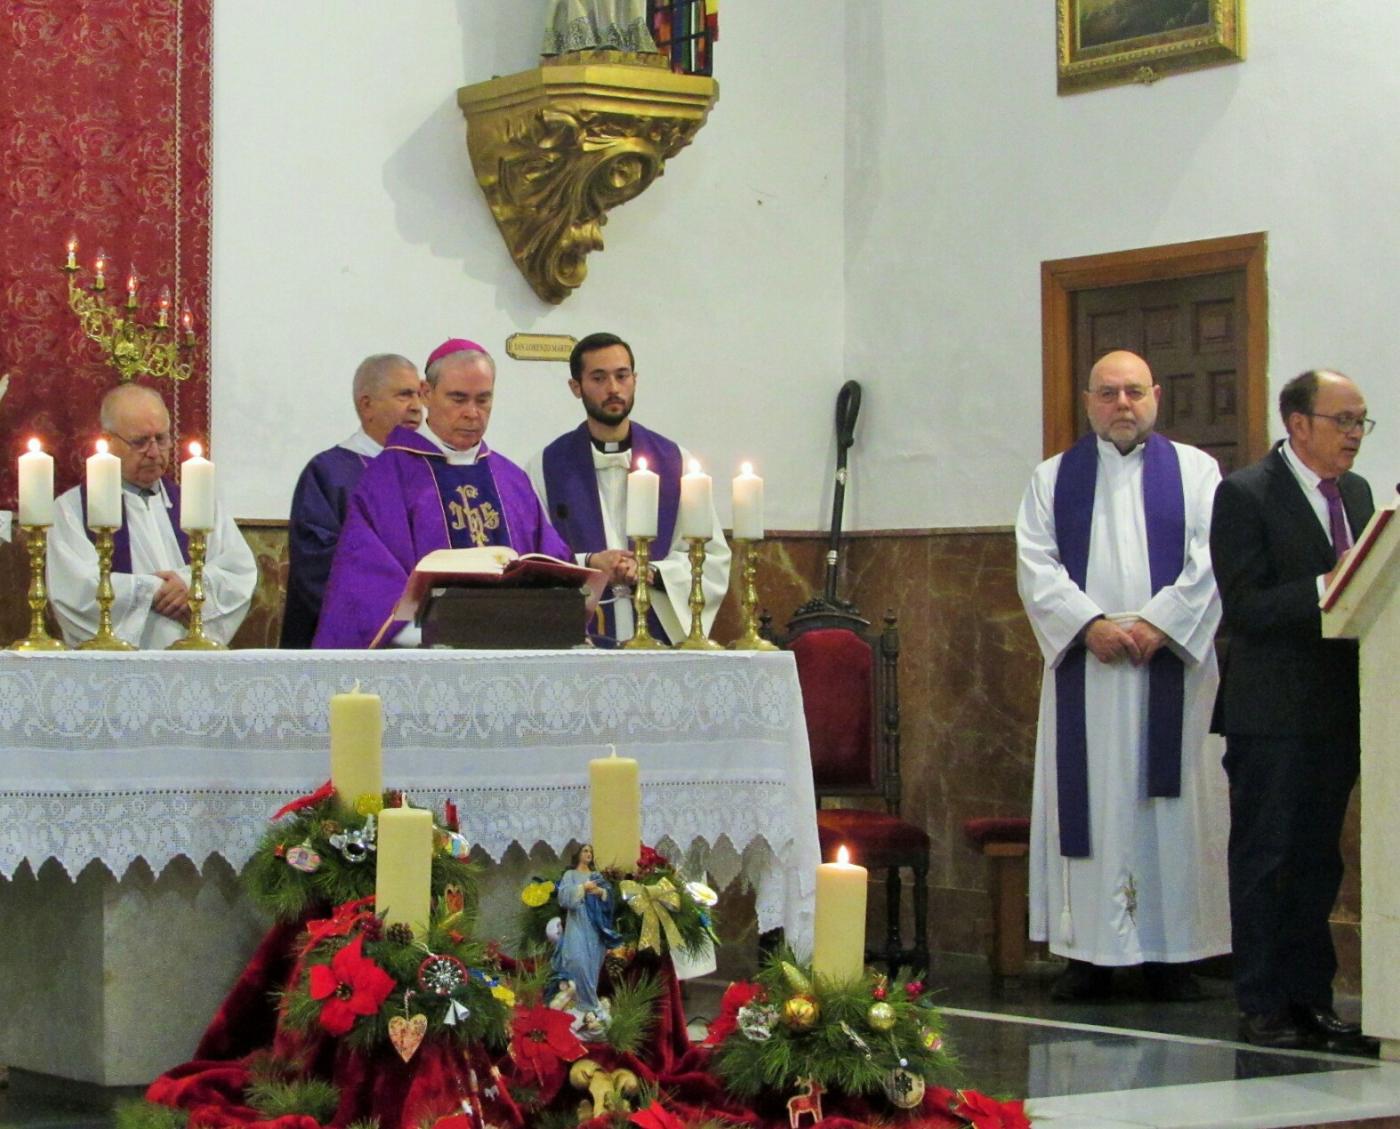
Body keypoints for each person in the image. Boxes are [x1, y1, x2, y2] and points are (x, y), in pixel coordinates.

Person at [1015, 350, 1229, 1002]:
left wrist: (1162, 622)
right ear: (1088, 401)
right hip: (1093, 669)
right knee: (1095, 802)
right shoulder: (1053, 479)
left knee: (1172, 805)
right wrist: (1089, 625)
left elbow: (1212, 556)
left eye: (1134, 391)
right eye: (1108, 392)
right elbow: (1037, 566)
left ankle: (1173, 953)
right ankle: (1090, 955)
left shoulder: (1196, 472)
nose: (1122, 404)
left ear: (1157, 396)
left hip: (1173, 668)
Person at [1211, 369, 1376, 1051]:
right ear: (1298, 423)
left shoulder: (1360, 495)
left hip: (1338, 708)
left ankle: (1313, 997)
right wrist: (1326, 584)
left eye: (1363, 421)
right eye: (1343, 420)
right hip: (1270, 710)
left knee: (1318, 860)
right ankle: (1261, 999)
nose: (1355, 435)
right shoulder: (1246, 493)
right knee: (1267, 855)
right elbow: (1244, 605)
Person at [313, 338, 570, 649]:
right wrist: (437, 631)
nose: (472, 413)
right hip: (424, 655)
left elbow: (550, 565)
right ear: (426, 394)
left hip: (512, 650)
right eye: (458, 399)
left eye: (483, 399)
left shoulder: (510, 479)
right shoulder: (388, 477)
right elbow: (366, 582)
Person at [528, 333, 729, 645]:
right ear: (576, 387)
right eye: (598, 377)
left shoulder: (676, 463)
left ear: (635, 380)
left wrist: (654, 572)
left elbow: (712, 556)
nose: (613, 388)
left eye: (622, 376)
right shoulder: (545, 466)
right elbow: (533, 558)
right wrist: (591, 562)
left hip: (659, 635)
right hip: (578, 638)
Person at [47, 384, 256, 649]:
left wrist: (191, 584)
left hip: (192, 662)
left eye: (162, 438)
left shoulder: (199, 502)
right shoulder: (73, 508)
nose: (155, 452)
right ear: (108, 441)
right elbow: (74, 591)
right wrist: (151, 592)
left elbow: (239, 572)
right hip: (114, 670)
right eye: (140, 442)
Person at [279, 354, 423, 647]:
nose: (417, 407)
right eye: (404, 395)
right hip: (348, 645)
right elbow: (318, 570)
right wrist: (397, 620)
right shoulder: (328, 473)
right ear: (366, 405)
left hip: (421, 639)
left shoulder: (426, 472)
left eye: (420, 395)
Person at [549, 843, 620, 1027]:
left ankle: (590, 1006)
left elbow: (609, 901)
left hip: (594, 928)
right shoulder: (570, 875)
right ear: (578, 854)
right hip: (576, 925)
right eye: (585, 850)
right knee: (576, 960)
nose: (588, 854)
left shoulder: (596, 877)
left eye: (591, 851)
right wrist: (582, 888)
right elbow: (564, 898)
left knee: (590, 965)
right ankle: (584, 1005)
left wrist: (601, 892)